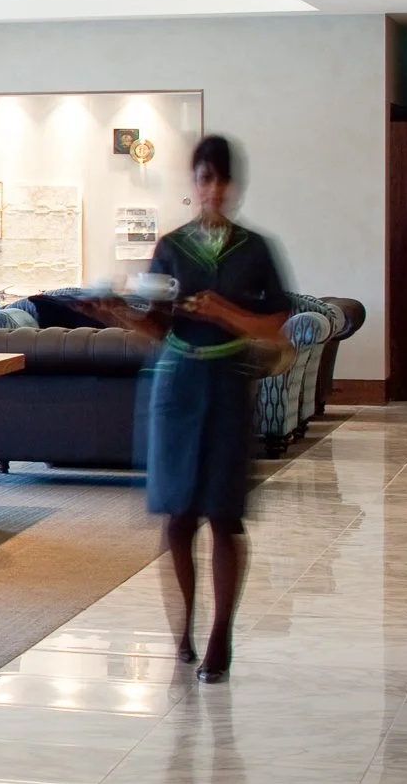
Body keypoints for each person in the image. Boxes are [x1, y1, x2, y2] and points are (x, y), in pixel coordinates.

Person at [94, 134, 288, 683]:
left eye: (222, 180)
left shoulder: (255, 249)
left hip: (226, 381)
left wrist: (229, 314)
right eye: (205, 179)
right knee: (179, 515)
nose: (213, 190)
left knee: (225, 515)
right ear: (194, 183)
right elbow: (157, 326)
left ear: (234, 186)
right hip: (176, 384)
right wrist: (120, 315)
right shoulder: (172, 246)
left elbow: (276, 324)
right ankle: (182, 627)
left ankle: (220, 633)